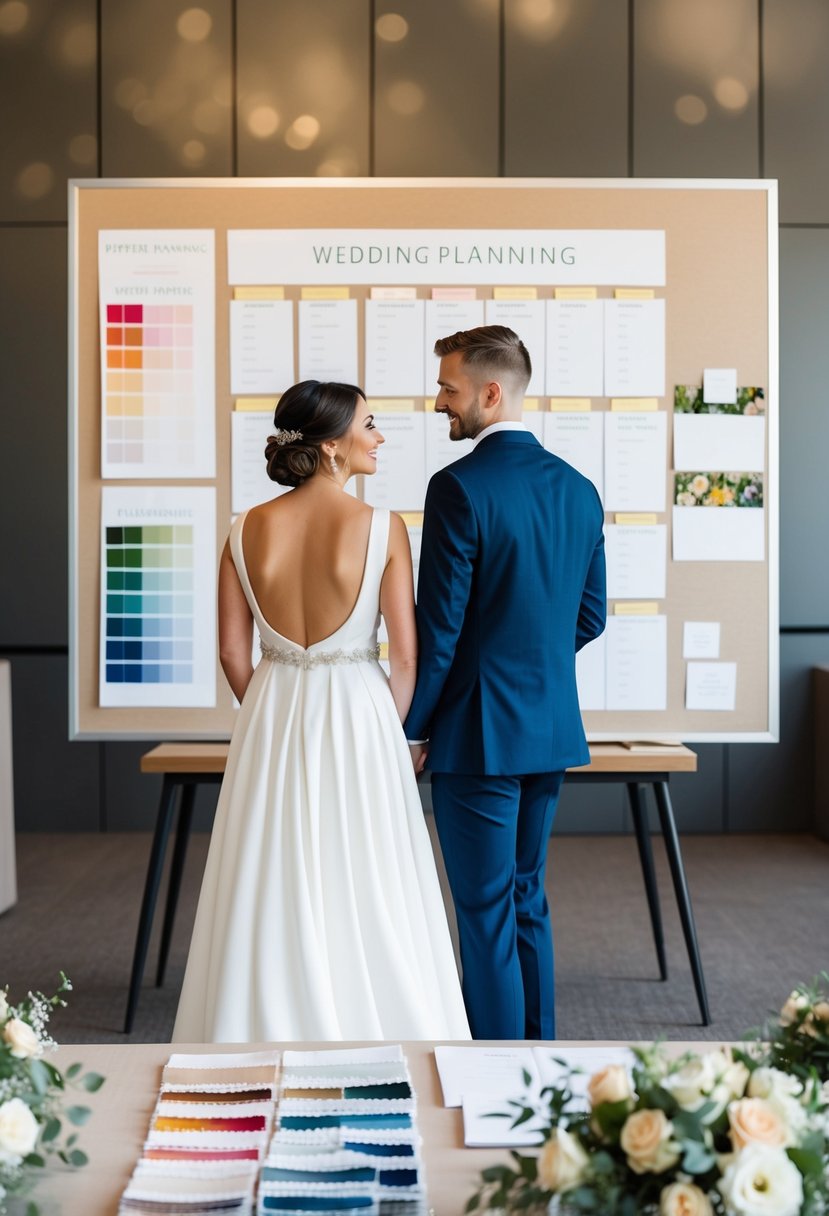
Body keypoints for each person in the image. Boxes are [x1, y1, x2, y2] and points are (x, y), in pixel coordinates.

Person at [173, 380, 470, 1042]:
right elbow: (406, 662)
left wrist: (270, 719)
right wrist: (388, 734)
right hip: (361, 712)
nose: (380, 436)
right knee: (367, 868)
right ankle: (376, 1025)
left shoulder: (242, 528)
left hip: (274, 705)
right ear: (332, 446)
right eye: (370, 423)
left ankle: (263, 1023)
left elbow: (229, 651)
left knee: (269, 869)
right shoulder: (381, 527)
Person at [404, 326, 606, 1041]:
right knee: (526, 898)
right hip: (547, 730)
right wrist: (533, 666)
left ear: (491, 393)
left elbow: (440, 632)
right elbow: (590, 617)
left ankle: (490, 1068)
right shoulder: (579, 490)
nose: (439, 404)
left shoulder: (457, 487)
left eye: (447, 389)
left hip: (475, 735)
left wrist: (412, 727)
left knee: (484, 910)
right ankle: (536, 1056)